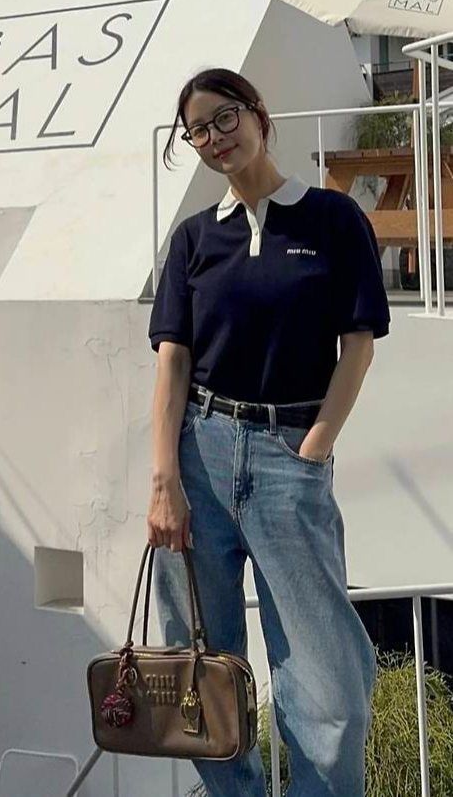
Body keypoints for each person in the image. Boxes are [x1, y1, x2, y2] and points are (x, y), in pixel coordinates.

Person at [147, 68, 390, 797]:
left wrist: (313, 449)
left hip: (290, 456)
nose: (214, 137)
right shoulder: (194, 239)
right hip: (199, 454)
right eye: (197, 130)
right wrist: (164, 480)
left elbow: (358, 345)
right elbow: (173, 363)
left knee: (327, 679)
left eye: (224, 117)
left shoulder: (332, 219)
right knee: (201, 665)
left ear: (258, 114)